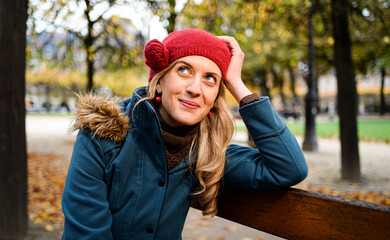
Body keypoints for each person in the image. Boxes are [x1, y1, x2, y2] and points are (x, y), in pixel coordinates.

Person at [61, 29, 308, 240]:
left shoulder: (206, 151)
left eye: (210, 79)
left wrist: (237, 84)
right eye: (184, 70)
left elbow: (289, 168)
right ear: (159, 81)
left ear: (215, 98)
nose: (194, 89)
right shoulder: (102, 134)